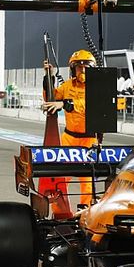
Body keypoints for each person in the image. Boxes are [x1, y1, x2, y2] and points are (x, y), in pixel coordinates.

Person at [43, 50, 100, 206]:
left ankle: (86, 211)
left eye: (85, 67)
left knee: (88, 182)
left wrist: (65, 104)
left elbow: (90, 106)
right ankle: (61, 211)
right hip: (69, 139)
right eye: (78, 67)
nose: (82, 70)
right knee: (60, 178)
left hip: (89, 140)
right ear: (73, 69)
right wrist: (49, 77)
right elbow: (51, 97)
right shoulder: (67, 86)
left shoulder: (98, 87)